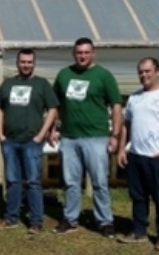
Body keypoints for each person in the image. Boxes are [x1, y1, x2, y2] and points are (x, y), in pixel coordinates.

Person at [50, 37, 123, 237]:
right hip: (69, 137)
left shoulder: (104, 76)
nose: (82, 56)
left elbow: (116, 105)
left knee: (99, 181)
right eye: (79, 52)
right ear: (74, 53)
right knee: (70, 182)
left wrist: (115, 134)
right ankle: (70, 218)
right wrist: (53, 128)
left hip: (96, 137)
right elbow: (54, 104)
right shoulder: (64, 75)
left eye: (86, 52)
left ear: (93, 53)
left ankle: (105, 221)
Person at [116, 57, 159, 251]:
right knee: (138, 196)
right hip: (137, 156)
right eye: (141, 72)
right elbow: (126, 126)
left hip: (158, 158)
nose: (144, 75)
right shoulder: (134, 98)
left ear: (157, 71)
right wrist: (122, 148)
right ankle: (139, 231)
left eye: (147, 71)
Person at [0, 49, 59, 234]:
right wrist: (0, 134)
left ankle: (36, 221)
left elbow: (53, 109)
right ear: (17, 63)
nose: (26, 65)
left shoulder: (41, 84)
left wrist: (42, 134)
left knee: (33, 182)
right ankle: (11, 217)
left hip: (32, 141)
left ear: (34, 63)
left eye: (29, 62)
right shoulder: (7, 84)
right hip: (10, 141)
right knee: (13, 181)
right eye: (23, 61)